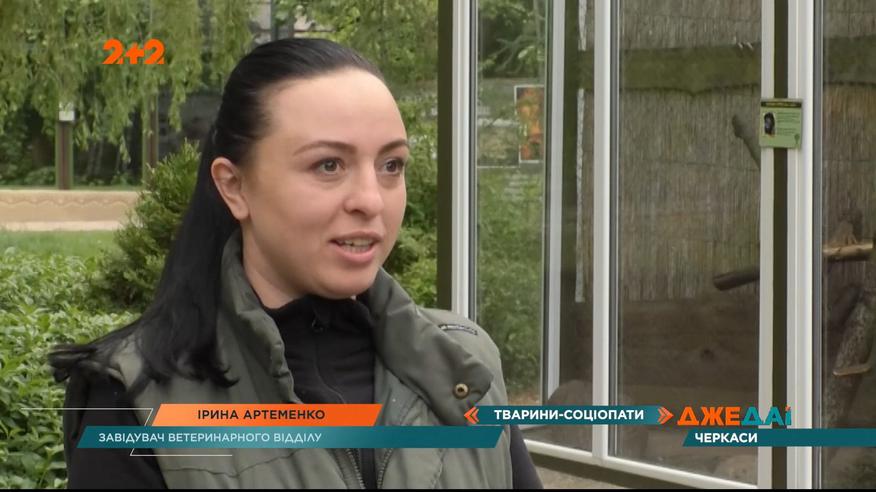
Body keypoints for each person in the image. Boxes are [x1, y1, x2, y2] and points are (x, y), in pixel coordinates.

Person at [49, 38, 543, 489]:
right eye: (328, 165)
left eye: (391, 165)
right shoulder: (134, 398)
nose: (371, 200)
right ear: (234, 186)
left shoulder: (466, 363)